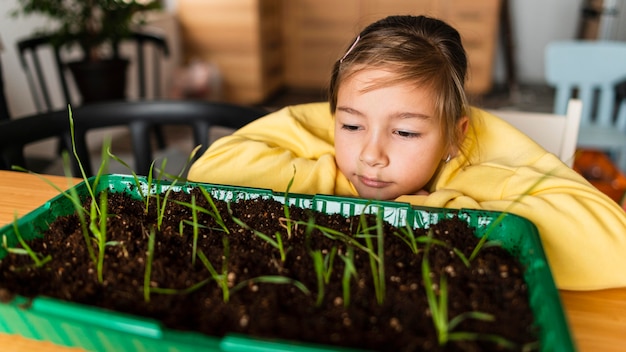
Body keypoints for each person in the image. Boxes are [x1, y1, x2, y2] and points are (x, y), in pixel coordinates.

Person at [188, 15, 626, 290]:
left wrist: (436, 209)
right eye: (352, 125)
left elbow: (613, 248)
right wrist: (343, 183)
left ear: (455, 136)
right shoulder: (334, 126)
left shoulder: (484, 152)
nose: (371, 154)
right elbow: (208, 172)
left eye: (404, 132)